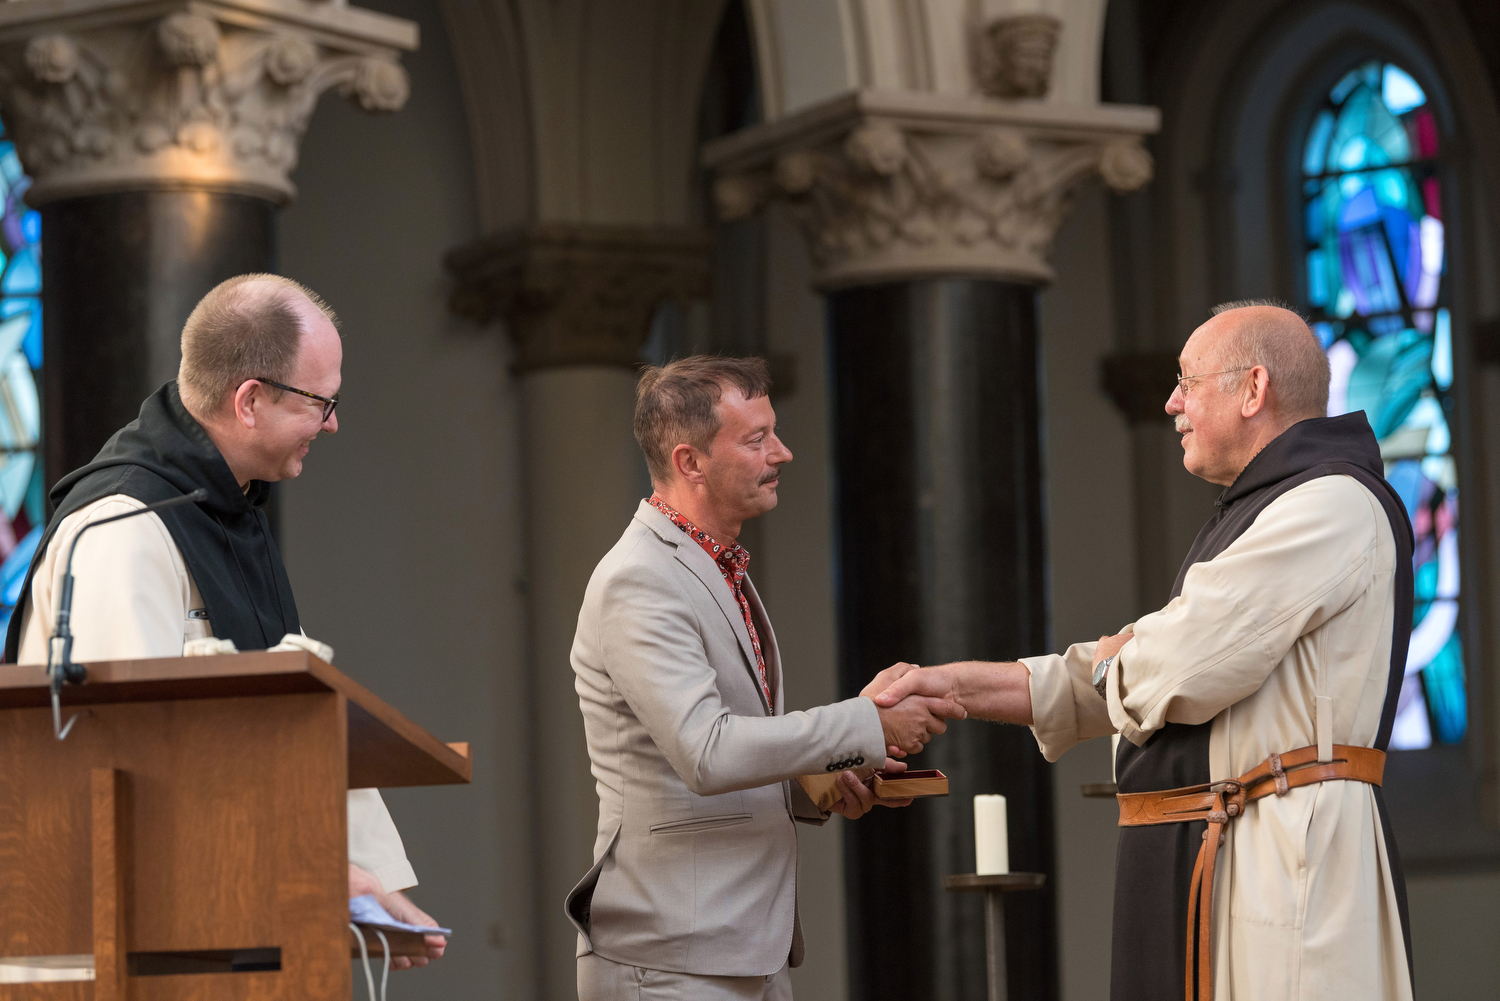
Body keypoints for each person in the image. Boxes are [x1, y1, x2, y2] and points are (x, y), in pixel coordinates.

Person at [873, 301, 1414, 1001]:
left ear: (1253, 389)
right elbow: (1123, 672)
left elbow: (1183, 667)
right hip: (1236, 845)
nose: (1171, 402)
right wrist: (949, 687)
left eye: (1188, 380)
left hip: (1288, 858)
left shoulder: (1328, 503)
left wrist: (1122, 659)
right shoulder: (1266, 510)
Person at [4, 274, 447, 969]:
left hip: (219, 924)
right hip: (119, 947)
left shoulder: (227, 513)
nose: (333, 422)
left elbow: (283, 717)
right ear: (249, 401)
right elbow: (134, 763)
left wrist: (363, 885)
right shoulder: (126, 527)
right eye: (321, 401)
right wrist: (315, 877)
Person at [567, 355, 965, 1000]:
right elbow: (706, 752)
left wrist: (818, 782)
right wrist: (865, 722)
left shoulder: (714, 565)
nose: (782, 452)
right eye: (756, 439)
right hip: (671, 957)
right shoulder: (639, 578)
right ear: (689, 461)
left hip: (741, 945)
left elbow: (713, 757)